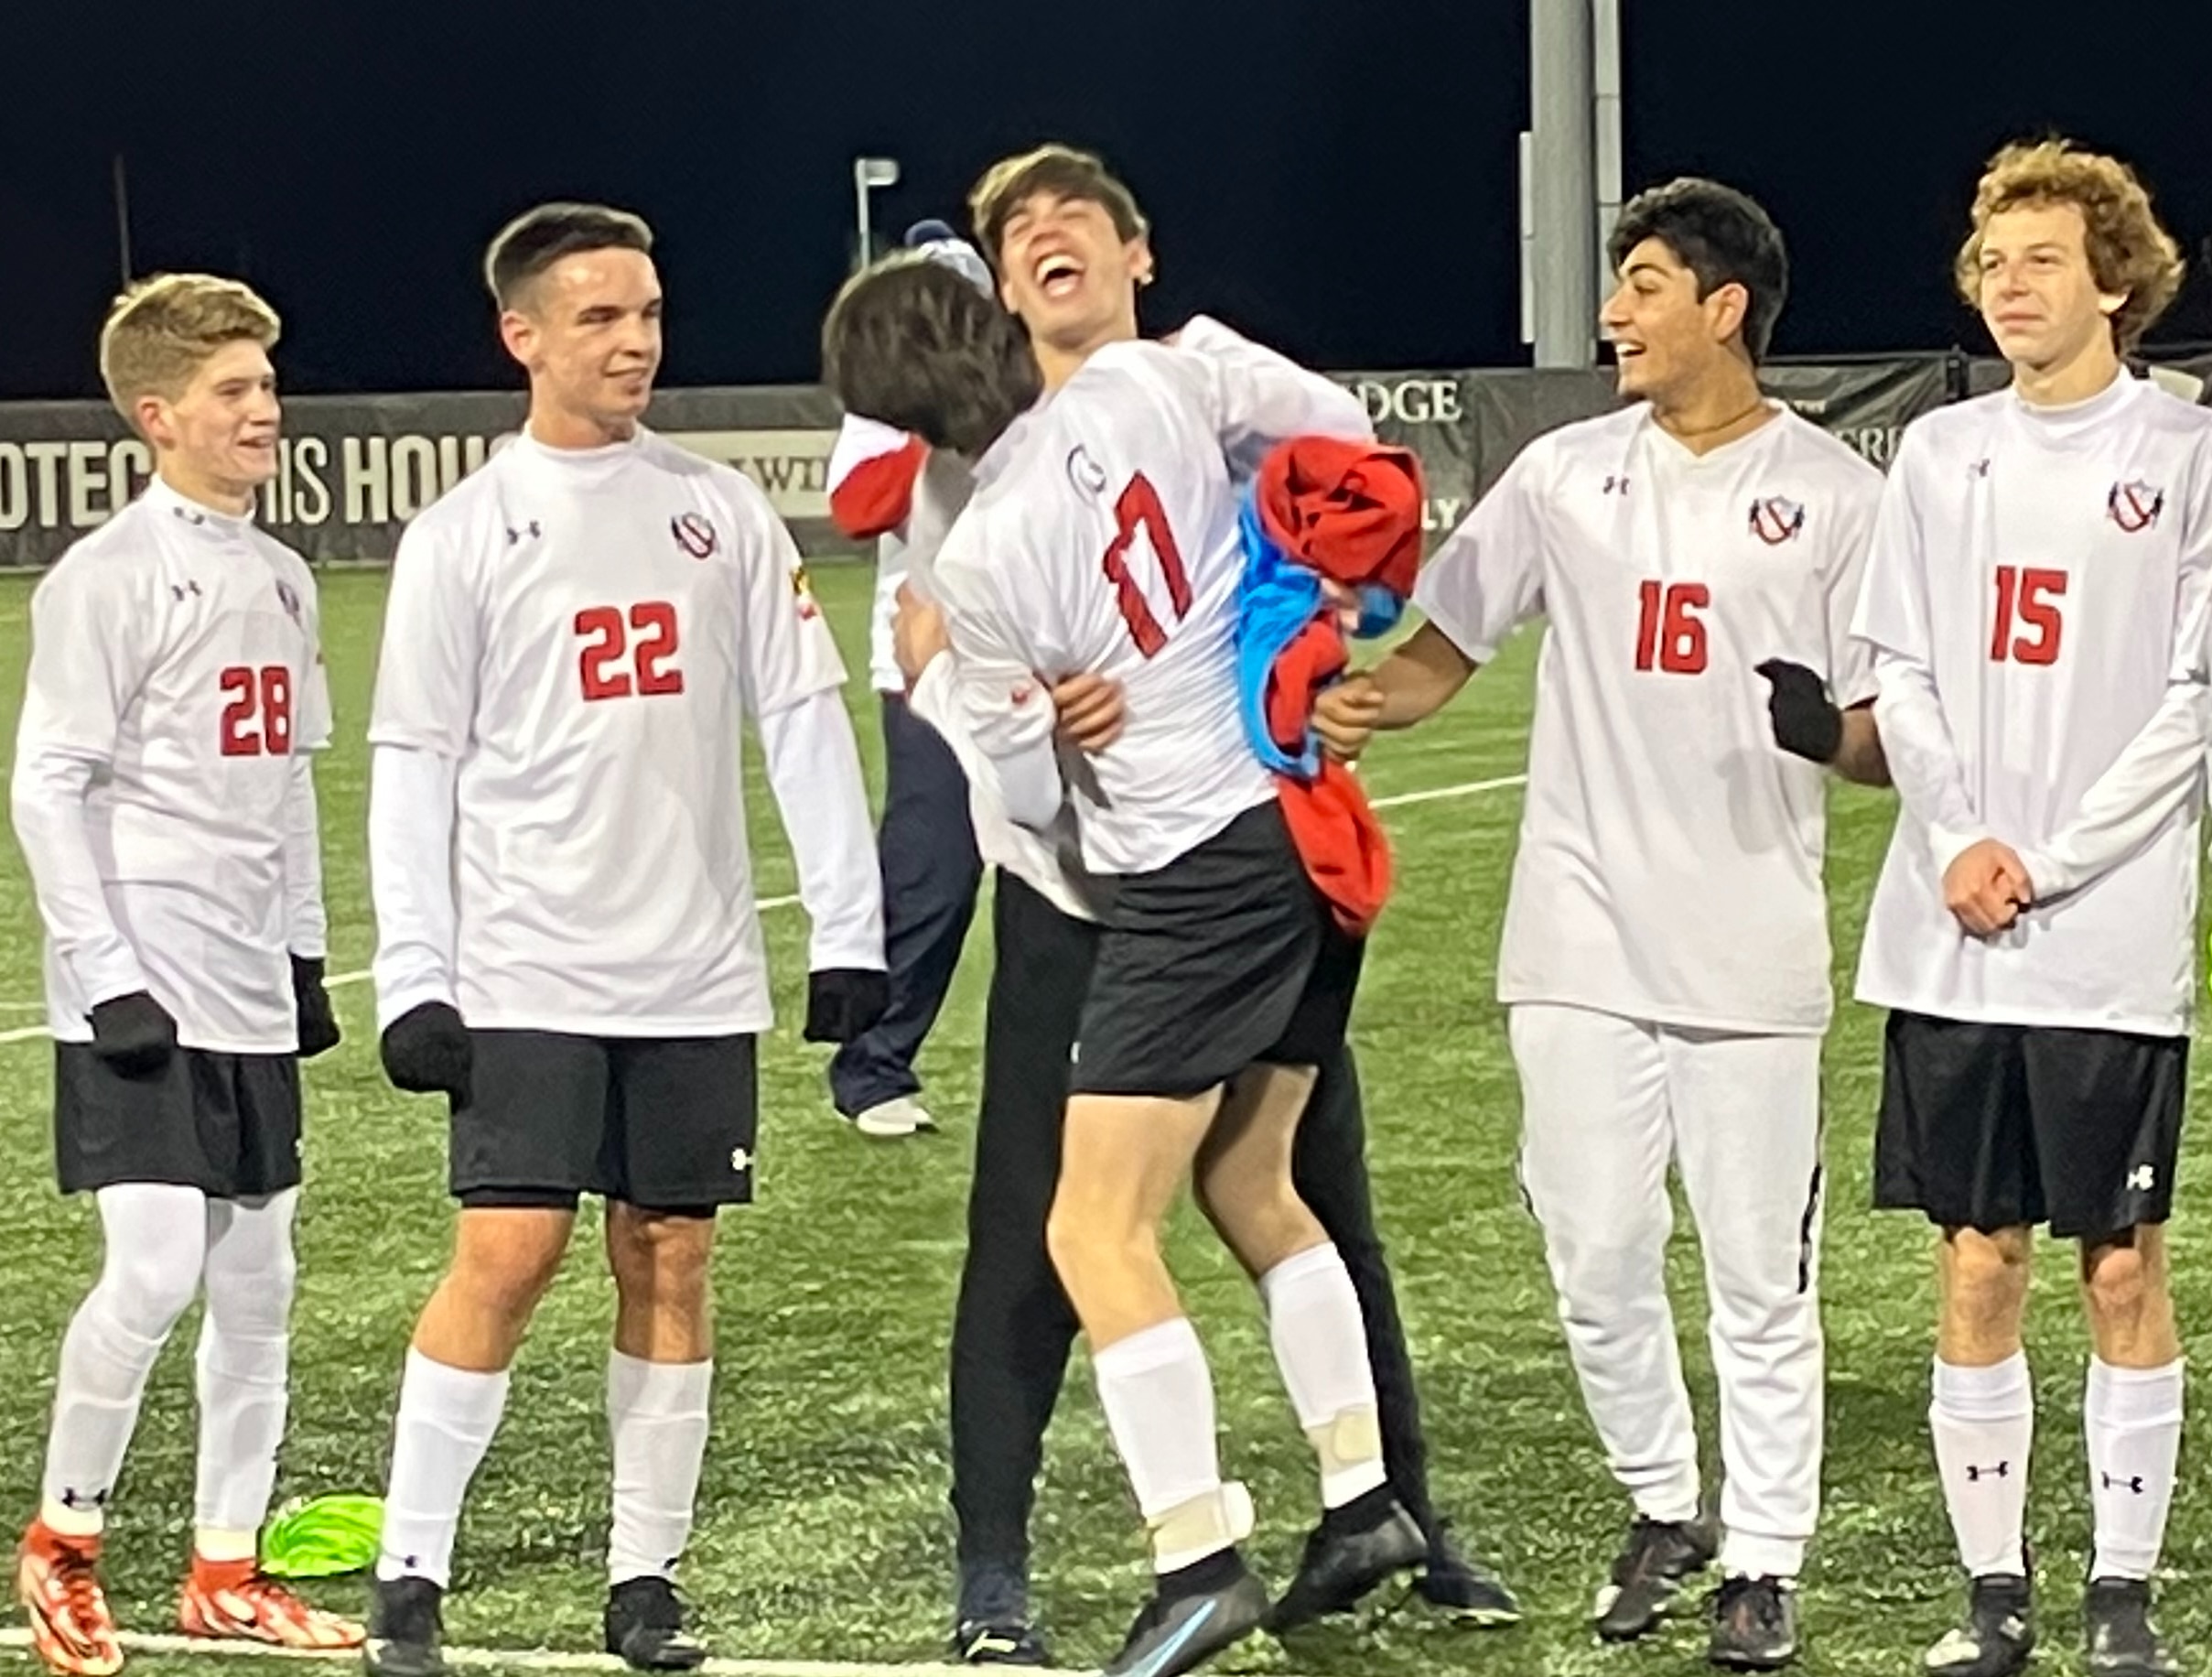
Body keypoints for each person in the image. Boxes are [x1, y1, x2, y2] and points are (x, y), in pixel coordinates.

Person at [842, 146, 1518, 1669]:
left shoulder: (983, 548)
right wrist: (1302, 602)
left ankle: (1195, 1552)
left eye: (1062, 222)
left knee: (1087, 1225)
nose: (1039, 245)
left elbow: (1018, 798)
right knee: (1255, 1181)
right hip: (1295, 833)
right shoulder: (1152, 388)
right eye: (1016, 240)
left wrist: (954, 671)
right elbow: (1323, 461)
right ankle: (1363, 1498)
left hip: (1178, 879)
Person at [1320, 179, 1890, 1671]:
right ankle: (1664, 1497)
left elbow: (1898, 731)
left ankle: (1762, 1555)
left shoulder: (1837, 497)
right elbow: (1444, 637)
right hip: (1572, 935)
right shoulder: (1563, 473)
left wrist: (1830, 732)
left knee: (1759, 1274)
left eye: (1641, 285)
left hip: (1749, 953)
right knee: (1589, 1248)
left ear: (1724, 307)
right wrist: (1349, 703)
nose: (1608, 314)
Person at [360, 202, 886, 1677]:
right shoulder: (464, 533)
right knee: (510, 1252)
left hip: (693, 969)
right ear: (522, 336)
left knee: (669, 1258)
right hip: (525, 963)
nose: (635, 339)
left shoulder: (717, 510)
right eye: (598, 317)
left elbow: (799, 716)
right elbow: (414, 758)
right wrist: (418, 972)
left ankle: (644, 1580)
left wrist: (846, 929)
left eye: (647, 311)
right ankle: (410, 1572)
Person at [1850, 139, 2208, 1677]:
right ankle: (1992, 1592)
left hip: (2104, 937)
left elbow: (2194, 697)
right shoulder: (1938, 456)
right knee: (1973, 1252)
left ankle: (2116, 1592)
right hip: (1948, 925)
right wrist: (1957, 835)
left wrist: (2045, 860)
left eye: (2040, 258)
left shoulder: (2186, 457)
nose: (2006, 283)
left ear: (2112, 281)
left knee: (2118, 1263)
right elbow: (1904, 675)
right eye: (1990, 260)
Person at [10, 273, 361, 1676]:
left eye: (267, 386)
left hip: (247, 981)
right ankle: (62, 1546)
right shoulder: (106, 578)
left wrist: (307, 953)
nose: (263, 410)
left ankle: (228, 1566)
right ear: (158, 417)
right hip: (141, 977)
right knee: (153, 1267)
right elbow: (46, 786)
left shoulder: (279, 577)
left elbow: (284, 791)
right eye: (234, 392)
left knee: (259, 1282)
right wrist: (106, 976)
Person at [818, 222, 994, 1140]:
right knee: (934, 871)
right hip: (926, 665)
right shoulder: (885, 404)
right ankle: (871, 1064)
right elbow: (858, 506)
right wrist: (936, 417)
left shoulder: (1033, 380)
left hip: (1044, 660)